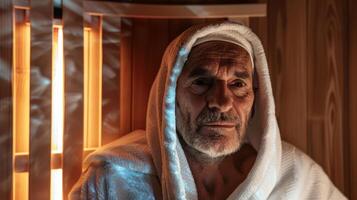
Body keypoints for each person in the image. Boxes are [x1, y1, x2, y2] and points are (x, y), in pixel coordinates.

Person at [69, 22, 345, 200]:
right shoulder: (114, 178)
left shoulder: (297, 177)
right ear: (169, 97)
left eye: (238, 84)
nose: (222, 102)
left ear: (257, 98)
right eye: (202, 83)